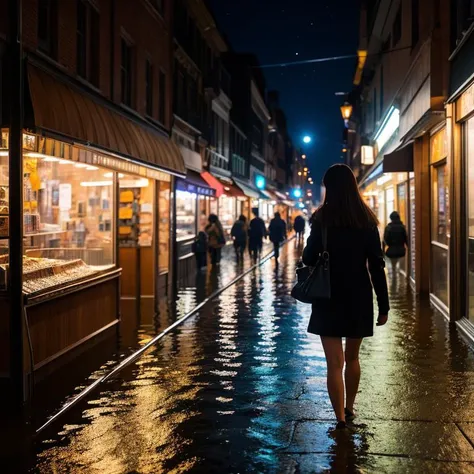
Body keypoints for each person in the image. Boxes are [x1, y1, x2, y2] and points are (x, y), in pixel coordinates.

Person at [302, 164, 389, 431]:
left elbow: (308, 257)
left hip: (328, 296)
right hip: (358, 296)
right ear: (353, 185)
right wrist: (383, 305)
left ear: (329, 188)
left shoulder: (322, 218)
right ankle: (350, 409)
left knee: (334, 364)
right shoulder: (366, 219)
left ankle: (339, 418)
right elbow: (376, 264)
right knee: (352, 358)